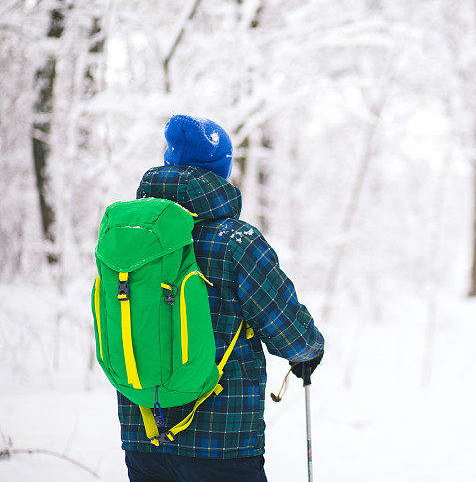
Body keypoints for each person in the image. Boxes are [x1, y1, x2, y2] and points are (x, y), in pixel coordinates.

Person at [119, 114, 324, 482]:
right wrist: (309, 351)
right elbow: (286, 325)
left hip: (143, 435)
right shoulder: (236, 241)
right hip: (221, 444)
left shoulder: (128, 238)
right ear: (221, 170)